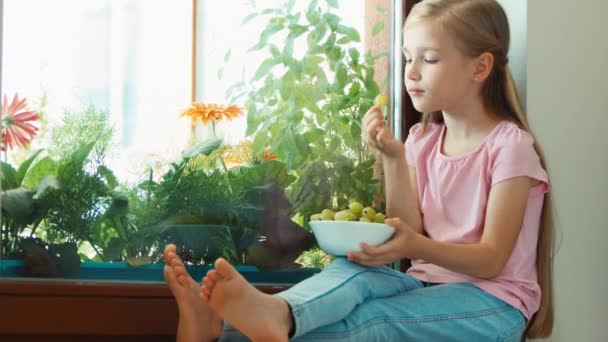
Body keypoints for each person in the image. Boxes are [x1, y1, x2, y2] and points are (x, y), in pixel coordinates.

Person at [163, 0, 555, 340]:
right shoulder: (423, 140)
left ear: (480, 67)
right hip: (426, 286)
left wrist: (415, 246)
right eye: (407, 58)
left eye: (429, 59)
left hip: (493, 305)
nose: (412, 71)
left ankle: (228, 333)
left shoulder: (510, 146)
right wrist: (393, 157)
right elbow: (407, 228)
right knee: (353, 272)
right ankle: (265, 316)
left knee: (376, 321)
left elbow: (491, 260)